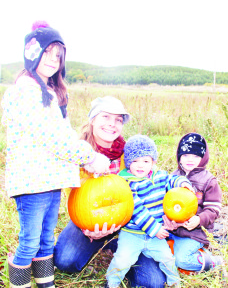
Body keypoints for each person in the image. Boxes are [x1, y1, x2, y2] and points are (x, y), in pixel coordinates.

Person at [1, 21, 110, 288]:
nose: (53, 60)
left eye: (58, 56)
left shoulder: (49, 92)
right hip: (31, 181)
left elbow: (64, 134)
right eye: (47, 53)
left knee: (46, 238)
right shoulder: (27, 91)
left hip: (50, 179)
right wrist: (90, 157)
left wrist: (87, 155)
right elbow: (52, 137)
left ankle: (45, 282)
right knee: (30, 241)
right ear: (32, 54)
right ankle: (18, 283)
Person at [54, 96, 168, 288]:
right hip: (90, 221)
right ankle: (103, 243)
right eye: (105, 117)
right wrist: (87, 228)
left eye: (118, 120)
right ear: (92, 120)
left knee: (152, 282)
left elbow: (153, 176)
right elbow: (73, 197)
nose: (112, 124)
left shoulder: (129, 152)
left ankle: (121, 249)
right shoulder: (76, 153)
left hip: (133, 223)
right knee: (66, 261)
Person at [105, 135, 194, 288]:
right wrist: (154, 229)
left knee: (167, 258)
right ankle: (111, 282)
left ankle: (175, 283)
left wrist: (183, 184)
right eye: (135, 161)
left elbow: (172, 180)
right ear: (127, 163)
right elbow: (135, 209)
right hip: (132, 234)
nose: (140, 166)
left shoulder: (159, 176)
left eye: (146, 161)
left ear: (153, 162)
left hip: (155, 237)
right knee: (122, 259)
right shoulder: (125, 182)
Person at [163, 133, 223, 273]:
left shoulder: (209, 181)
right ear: (179, 157)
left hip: (195, 233)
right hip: (173, 230)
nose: (190, 159)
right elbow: (165, 203)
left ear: (203, 158)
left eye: (195, 156)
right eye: (185, 155)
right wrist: (167, 220)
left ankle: (215, 262)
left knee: (181, 260)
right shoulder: (173, 177)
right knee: (154, 252)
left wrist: (199, 219)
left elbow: (214, 209)